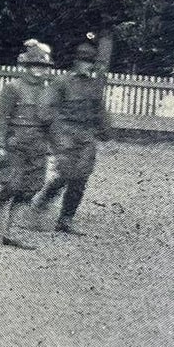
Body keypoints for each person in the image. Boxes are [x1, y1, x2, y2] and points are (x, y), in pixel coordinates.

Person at [0, 38, 54, 247]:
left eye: (43, 67)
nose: (39, 70)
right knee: (9, 186)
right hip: (15, 144)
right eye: (35, 66)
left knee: (30, 188)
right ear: (26, 67)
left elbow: (51, 121)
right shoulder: (13, 88)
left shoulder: (48, 92)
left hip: (38, 147)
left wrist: (52, 144)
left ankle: (12, 232)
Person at [28, 39, 113, 234]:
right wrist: (52, 131)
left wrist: (107, 134)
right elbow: (45, 108)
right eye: (84, 61)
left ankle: (65, 220)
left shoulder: (93, 86)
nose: (87, 66)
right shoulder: (61, 83)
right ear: (76, 62)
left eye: (90, 62)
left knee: (81, 179)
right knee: (65, 174)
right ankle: (39, 206)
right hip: (65, 134)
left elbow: (100, 111)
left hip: (86, 136)